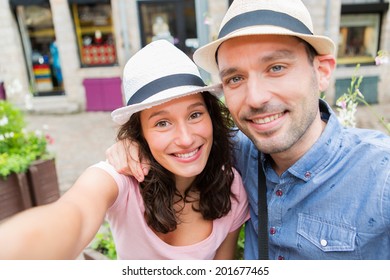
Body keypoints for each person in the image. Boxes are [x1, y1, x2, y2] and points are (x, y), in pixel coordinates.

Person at [106, 0, 390, 260]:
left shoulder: (380, 176)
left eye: (276, 68)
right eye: (235, 78)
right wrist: (134, 144)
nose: (255, 98)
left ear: (323, 70)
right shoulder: (236, 149)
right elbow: (183, 141)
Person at [0, 40, 249, 260]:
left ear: (212, 117)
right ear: (140, 133)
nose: (185, 139)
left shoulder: (231, 185)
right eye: (162, 123)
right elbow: (73, 215)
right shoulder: (121, 180)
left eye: (195, 114)